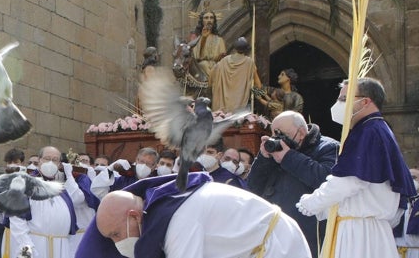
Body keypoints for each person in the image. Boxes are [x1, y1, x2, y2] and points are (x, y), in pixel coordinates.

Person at [297, 77, 417, 258]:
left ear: (365, 102)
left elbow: (349, 182)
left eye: (344, 99)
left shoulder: (368, 131)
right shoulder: (377, 129)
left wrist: (314, 202)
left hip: (359, 234)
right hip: (371, 229)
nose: (338, 104)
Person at [76, 173, 311, 258]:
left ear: (134, 216)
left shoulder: (179, 221)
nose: (118, 243)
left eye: (116, 234)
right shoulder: (165, 210)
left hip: (277, 246)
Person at [248, 110, 339, 257]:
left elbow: (326, 180)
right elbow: (253, 188)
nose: (279, 139)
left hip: (311, 235)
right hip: (277, 233)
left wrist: (288, 157)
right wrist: (264, 158)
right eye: (274, 134)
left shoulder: (329, 147)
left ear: (301, 133)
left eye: (283, 135)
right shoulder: (274, 151)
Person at [2, 146, 81, 258]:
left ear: (59, 164)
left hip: (61, 250)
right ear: (39, 161)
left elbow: (70, 230)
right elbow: (17, 221)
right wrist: (27, 249)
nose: (50, 162)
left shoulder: (62, 191)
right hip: (35, 247)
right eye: (47, 158)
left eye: (54, 160)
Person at [210, 36, 262, 112]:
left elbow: (212, 75)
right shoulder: (249, 62)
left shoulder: (224, 60)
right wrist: (258, 95)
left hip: (222, 107)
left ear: (235, 48)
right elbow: (258, 85)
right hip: (239, 108)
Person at [90, 147, 158, 200]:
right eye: (142, 162)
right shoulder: (122, 179)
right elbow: (97, 189)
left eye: (148, 164)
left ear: (154, 166)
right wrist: (110, 169)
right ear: (137, 160)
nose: (144, 166)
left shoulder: (155, 185)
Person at [191, 11, 226, 80]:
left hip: (217, 66)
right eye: (206, 18)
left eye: (211, 18)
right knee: (203, 64)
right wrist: (203, 38)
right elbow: (197, 57)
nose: (209, 20)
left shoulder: (219, 39)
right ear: (202, 21)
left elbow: (223, 57)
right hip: (202, 68)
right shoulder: (197, 39)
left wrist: (220, 56)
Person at [395, 168, 419, 258]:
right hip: (398, 252)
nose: (410, 181)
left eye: (413, 177)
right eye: (407, 177)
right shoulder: (398, 201)